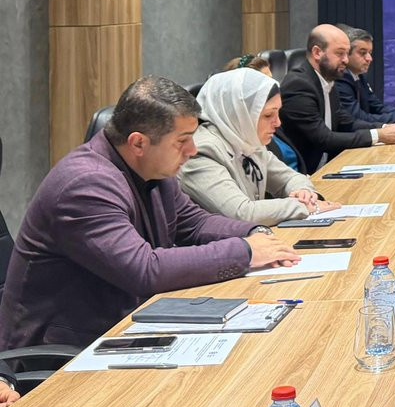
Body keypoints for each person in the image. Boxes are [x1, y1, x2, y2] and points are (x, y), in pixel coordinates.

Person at [0, 77, 300, 349]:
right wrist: (245, 251)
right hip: (60, 353)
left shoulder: (151, 169)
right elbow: (145, 270)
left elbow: (195, 223)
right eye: (182, 140)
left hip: (125, 327)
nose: (192, 150)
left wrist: (254, 233)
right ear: (138, 142)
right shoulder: (85, 184)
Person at [179, 69, 341, 225]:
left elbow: (290, 178)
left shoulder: (246, 139)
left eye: (278, 112)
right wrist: (302, 206)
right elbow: (241, 213)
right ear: (239, 113)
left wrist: (305, 193)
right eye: (268, 115)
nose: (278, 123)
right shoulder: (201, 151)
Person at [280, 24, 395, 171]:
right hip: (308, 174)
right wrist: (378, 135)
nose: (346, 60)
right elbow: (324, 139)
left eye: (347, 54)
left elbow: (347, 122)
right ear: (317, 52)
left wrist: (386, 128)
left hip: (331, 165)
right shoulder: (298, 85)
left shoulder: (328, 79)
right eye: (340, 53)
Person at [334, 27, 395, 128]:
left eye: (370, 53)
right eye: (362, 53)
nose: (369, 58)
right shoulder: (341, 79)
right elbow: (359, 118)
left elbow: (377, 107)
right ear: (347, 54)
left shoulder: (358, 75)